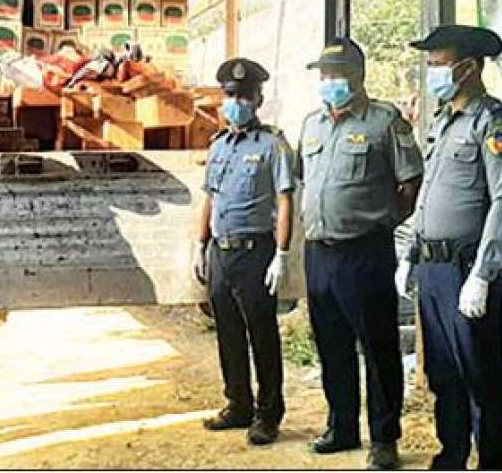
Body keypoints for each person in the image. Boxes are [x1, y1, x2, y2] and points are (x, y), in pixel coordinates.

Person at [297, 38, 423, 469]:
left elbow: (411, 182)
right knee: (331, 344)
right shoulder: (311, 124)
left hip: (364, 252)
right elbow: (306, 180)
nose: (328, 82)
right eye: (324, 75)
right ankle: (342, 427)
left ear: (357, 77)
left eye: (337, 75)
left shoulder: (384, 121)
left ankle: (384, 439)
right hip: (319, 252)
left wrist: (385, 221)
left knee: (378, 346)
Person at [397, 24, 502, 470]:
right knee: (443, 373)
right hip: (434, 270)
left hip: (467, 268)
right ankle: (451, 457)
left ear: (468, 68)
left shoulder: (491, 121)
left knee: (481, 375)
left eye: (439, 64)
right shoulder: (442, 121)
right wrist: (410, 255)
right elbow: (428, 195)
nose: (433, 73)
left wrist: (483, 274)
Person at [195, 58, 295, 445]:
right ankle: (238, 403)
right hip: (220, 251)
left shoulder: (272, 145)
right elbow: (210, 199)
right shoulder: (218, 146)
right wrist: (199, 246)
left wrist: (281, 254)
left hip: (255, 252)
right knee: (227, 331)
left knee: (262, 334)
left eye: (243, 96)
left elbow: (284, 201)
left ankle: (268, 414)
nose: (235, 103)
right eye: (230, 96)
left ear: (258, 100)